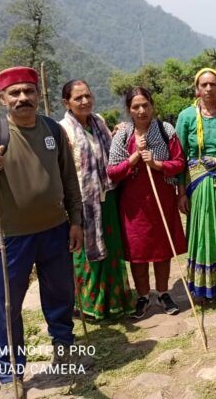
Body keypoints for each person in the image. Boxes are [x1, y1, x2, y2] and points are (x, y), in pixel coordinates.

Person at [0, 66, 83, 397]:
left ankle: (63, 341)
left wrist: (76, 221)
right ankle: (11, 370)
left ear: (38, 94)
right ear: (2, 98)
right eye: (14, 93)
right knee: (7, 305)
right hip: (9, 237)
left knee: (60, 292)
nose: (22, 98)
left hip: (55, 230)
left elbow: (69, 180)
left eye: (28, 91)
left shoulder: (54, 131)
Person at [107, 87, 187, 319]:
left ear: (152, 106)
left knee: (162, 250)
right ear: (129, 110)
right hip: (133, 204)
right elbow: (113, 172)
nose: (141, 110)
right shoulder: (122, 136)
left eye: (145, 105)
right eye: (135, 107)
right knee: (138, 252)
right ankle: (143, 296)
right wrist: (134, 158)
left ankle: (163, 292)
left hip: (161, 198)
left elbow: (179, 163)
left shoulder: (166, 130)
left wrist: (157, 165)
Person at [60, 80, 134, 320]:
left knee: (111, 248)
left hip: (108, 195)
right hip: (82, 201)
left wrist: (116, 135)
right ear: (66, 103)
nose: (84, 102)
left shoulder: (99, 122)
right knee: (85, 252)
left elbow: (110, 153)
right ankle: (89, 305)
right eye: (78, 98)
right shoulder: (64, 130)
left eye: (88, 96)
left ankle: (113, 301)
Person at [176, 68, 216, 300]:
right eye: (204, 85)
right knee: (201, 231)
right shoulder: (187, 117)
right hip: (197, 181)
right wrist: (181, 192)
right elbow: (180, 157)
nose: (209, 88)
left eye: (213, 84)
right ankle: (201, 286)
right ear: (197, 89)